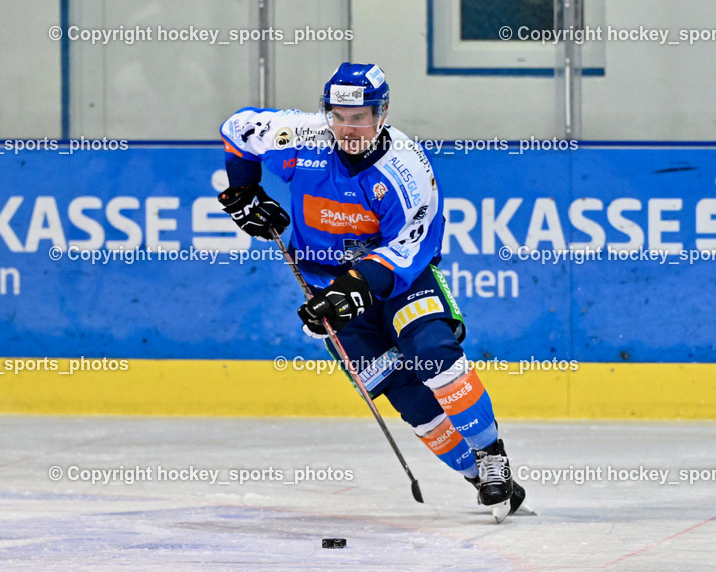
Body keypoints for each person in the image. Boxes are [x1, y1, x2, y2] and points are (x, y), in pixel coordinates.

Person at [217, 62, 525, 518]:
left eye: (359, 117)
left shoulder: (406, 166)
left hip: (400, 281)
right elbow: (238, 130)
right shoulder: (302, 136)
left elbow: (411, 246)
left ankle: (491, 453)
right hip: (327, 286)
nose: (347, 128)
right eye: (338, 116)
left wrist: (357, 287)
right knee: (407, 397)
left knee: (434, 355)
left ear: (382, 113)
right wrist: (244, 191)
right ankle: (477, 476)